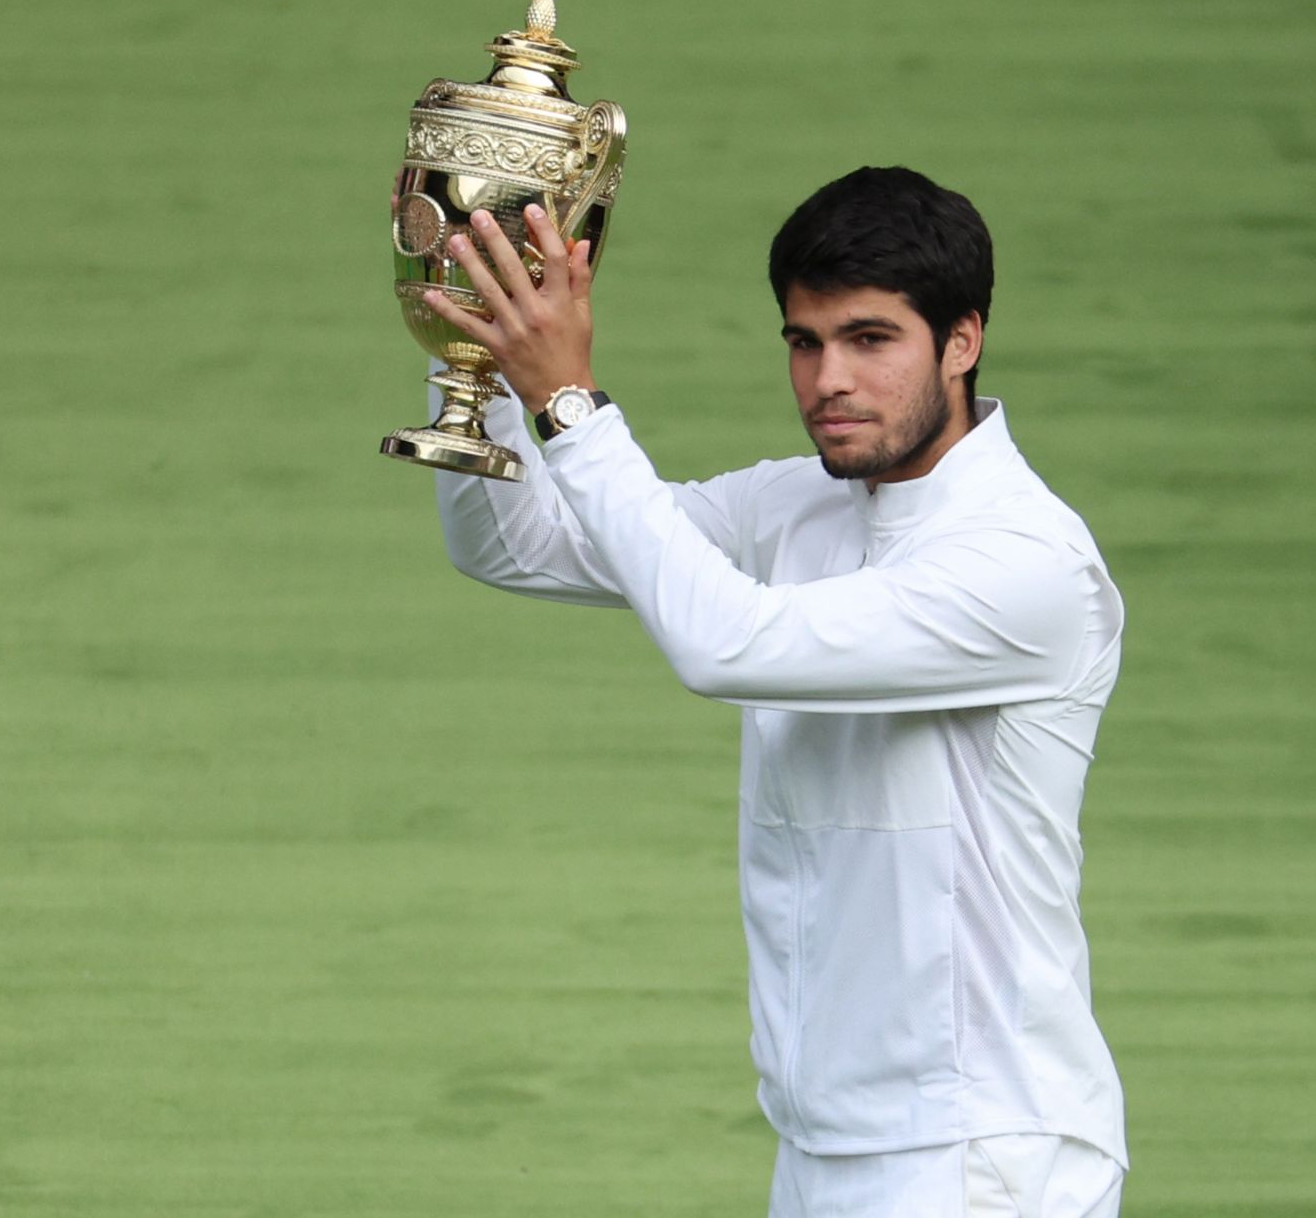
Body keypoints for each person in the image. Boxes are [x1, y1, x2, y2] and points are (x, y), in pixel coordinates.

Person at [422, 167, 1127, 1216]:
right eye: (804, 341)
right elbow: (515, 547)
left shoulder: (1025, 561)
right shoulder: (795, 507)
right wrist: (474, 356)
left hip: (986, 1156)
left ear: (963, 340)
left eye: (870, 338)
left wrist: (567, 401)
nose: (828, 377)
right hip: (824, 1150)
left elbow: (726, 645)